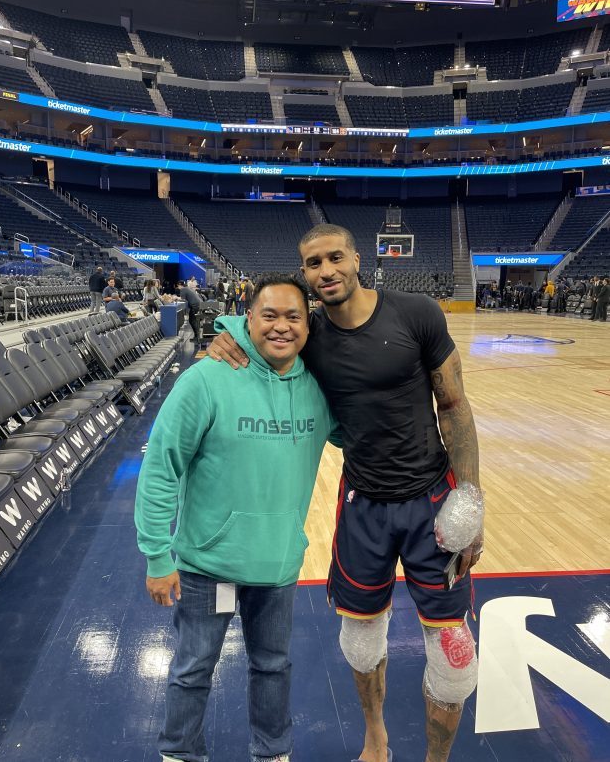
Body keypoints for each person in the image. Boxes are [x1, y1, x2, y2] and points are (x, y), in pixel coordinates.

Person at [208, 224, 483, 762]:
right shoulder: (309, 335)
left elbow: (454, 407)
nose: (326, 271)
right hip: (363, 507)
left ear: (358, 259)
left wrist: (471, 499)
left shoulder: (417, 313)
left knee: (453, 659)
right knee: (359, 642)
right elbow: (258, 331)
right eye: (313, 263)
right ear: (305, 273)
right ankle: (375, 736)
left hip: (433, 499)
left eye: (335, 258)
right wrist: (223, 335)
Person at [135, 273, 340, 762]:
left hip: (277, 566)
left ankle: (272, 753)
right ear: (248, 316)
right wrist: (156, 555)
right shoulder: (207, 378)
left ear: (308, 325)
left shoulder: (319, 388)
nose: (281, 327)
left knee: (273, 668)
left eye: (294, 316)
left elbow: (364, 435)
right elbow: (162, 467)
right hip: (211, 566)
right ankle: (180, 752)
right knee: (193, 668)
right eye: (269, 315)